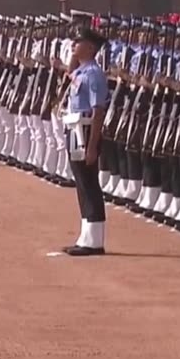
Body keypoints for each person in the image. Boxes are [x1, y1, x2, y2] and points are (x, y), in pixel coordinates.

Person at [57, 24, 111, 257]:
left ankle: (95, 240)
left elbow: (98, 111)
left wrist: (92, 147)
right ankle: (86, 236)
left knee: (89, 184)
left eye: (77, 42)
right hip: (75, 128)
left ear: (90, 47)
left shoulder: (94, 74)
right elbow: (69, 78)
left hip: (87, 130)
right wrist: (73, 60)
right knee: (81, 183)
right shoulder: (81, 71)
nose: (72, 45)